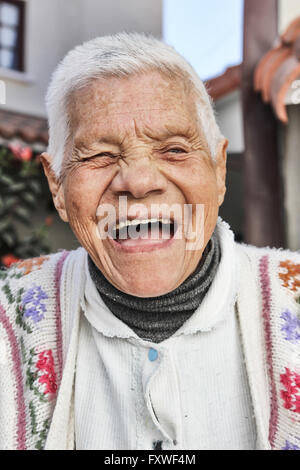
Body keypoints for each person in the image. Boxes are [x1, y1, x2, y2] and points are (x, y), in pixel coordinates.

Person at [0, 33, 299, 451]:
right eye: (99, 155)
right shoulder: (7, 320)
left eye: (174, 149)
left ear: (218, 171)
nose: (138, 183)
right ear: (57, 185)